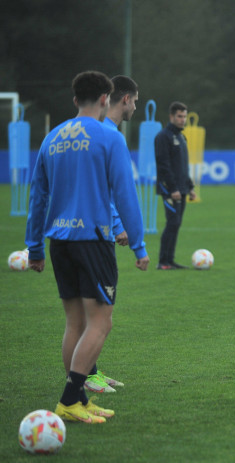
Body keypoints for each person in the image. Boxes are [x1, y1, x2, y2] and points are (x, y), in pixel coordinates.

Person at [25, 71, 150, 424]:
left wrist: (34, 247)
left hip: (59, 242)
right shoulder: (107, 136)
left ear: (74, 99)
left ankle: (80, 399)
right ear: (105, 98)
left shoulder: (53, 137)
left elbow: (38, 196)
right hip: (92, 240)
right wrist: (139, 245)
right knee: (101, 323)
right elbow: (125, 195)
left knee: (75, 324)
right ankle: (68, 400)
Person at [81, 75, 141, 394]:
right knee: (99, 316)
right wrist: (119, 224)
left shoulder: (101, 132)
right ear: (125, 99)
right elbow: (108, 190)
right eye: (136, 101)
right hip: (95, 234)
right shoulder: (106, 134)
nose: (136, 107)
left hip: (85, 233)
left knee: (94, 313)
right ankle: (84, 378)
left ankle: (91, 371)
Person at [155, 101, 195, 269]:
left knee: (176, 224)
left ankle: (170, 260)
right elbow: (163, 166)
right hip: (170, 190)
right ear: (171, 117)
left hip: (182, 189)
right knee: (172, 223)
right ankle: (163, 261)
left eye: (184, 116)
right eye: (179, 116)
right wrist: (172, 189)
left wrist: (190, 186)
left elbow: (183, 166)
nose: (182, 120)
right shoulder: (163, 137)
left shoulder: (181, 136)